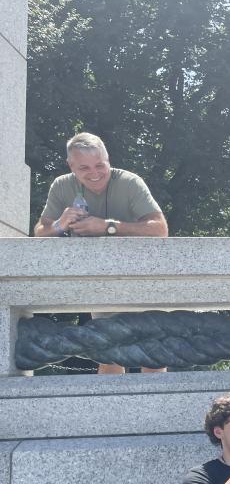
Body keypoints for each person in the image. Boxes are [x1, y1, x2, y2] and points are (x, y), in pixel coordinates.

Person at [34, 131, 169, 374]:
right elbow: (40, 232)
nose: (94, 173)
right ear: (71, 165)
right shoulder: (61, 185)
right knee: (109, 354)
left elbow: (160, 229)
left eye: (100, 165)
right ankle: (113, 412)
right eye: (84, 167)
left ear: (109, 159)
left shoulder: (130, 182)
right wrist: (59, 225)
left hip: (143, 276)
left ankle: (154, 411)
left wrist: (108, 226)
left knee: (153, 352)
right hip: (101, 282)